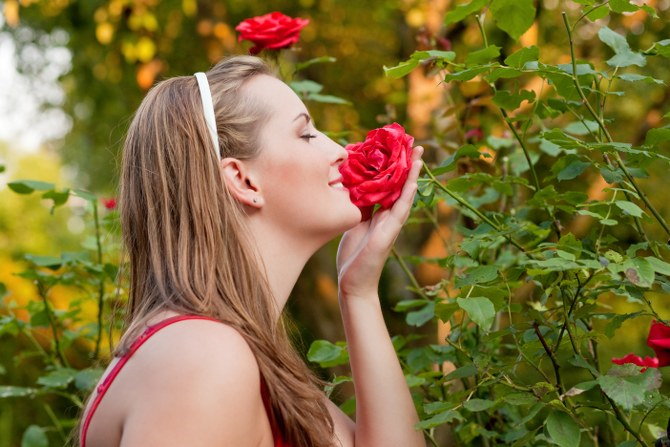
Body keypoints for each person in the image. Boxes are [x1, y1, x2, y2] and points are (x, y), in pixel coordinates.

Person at [73, 54, 425, 447]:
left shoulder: (243, 358)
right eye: (306, 133)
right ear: (243, 180)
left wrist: (357, 292)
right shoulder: (200, 359)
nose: (341, 150)